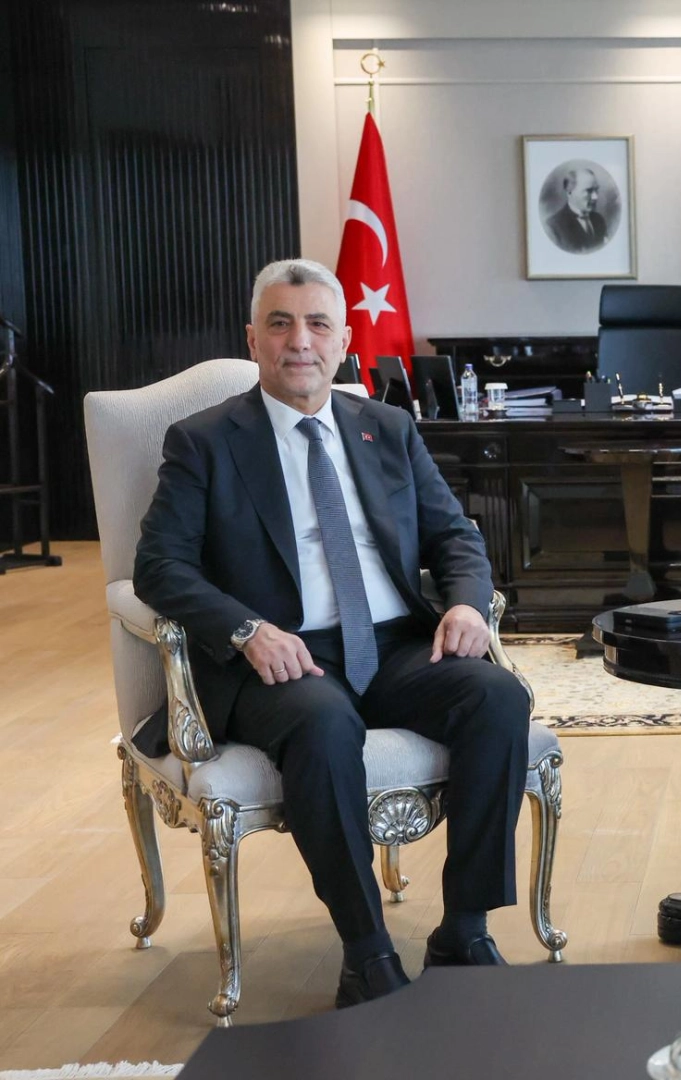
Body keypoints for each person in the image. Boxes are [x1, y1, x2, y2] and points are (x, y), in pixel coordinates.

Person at [133, 259, 531, 1008]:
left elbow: (455, 537)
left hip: (395, 643)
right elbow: (158, 566)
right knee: (322, 726)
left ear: (344, 341)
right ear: (253, 339)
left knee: (498, 698)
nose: (300, 341)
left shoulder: (389, 428)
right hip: (282, 657)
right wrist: (247, 629)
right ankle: (366, 950)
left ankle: (464, 929)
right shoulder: (205, 441)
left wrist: (467, 605)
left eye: (318, 324)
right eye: (281, 324)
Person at [544, 166, 609, 253]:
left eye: (596, 190)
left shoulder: (599, 220)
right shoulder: (553, 227)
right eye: (589, 191)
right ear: (569, 192)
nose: (595, 197)